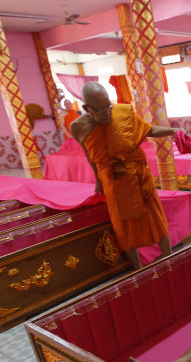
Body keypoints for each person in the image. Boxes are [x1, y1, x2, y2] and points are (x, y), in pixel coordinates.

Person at [71, 82, 180, 270]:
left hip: (138, 174)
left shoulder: (123, 112)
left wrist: (173, 131)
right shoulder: (77, 127)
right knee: (123, 224)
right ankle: (138, 268)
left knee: (155, 215)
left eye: (108, 107)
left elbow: (149, 130)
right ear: (86, 108)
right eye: (100, 110)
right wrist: (98, 180)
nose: (107, 113)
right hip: (112, 180)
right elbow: (90, 155)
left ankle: (169, 259)